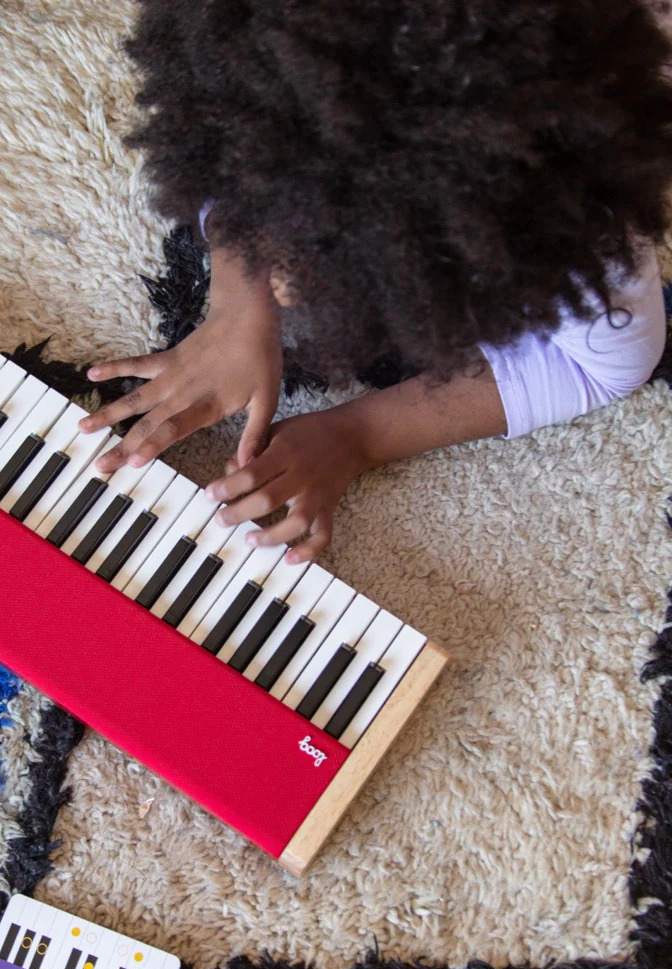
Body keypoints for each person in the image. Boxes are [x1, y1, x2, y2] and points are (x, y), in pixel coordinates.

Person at [77, 0, 671, 563]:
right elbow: (220, 125)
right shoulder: (255, 41)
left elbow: (604, 365)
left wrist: (359, 433)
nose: (285, 294)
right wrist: (238, 300)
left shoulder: (574, 220)